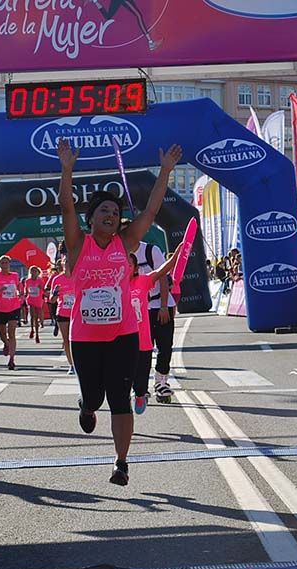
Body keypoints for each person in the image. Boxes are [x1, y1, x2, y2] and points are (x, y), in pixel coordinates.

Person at [58, 137, 181, 486]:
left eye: (115, 212)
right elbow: (66, 207)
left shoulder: (124, 244)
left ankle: (121, 462)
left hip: (122, 334)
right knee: (95, 398)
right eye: (104, 212)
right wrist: (67, 170)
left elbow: (152, 212)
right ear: (91, 218)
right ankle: (85, 404)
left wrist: (165, 171)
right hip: (85, 337)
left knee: (119, 400)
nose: (111, 216)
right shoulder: (78, 244)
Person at [130, 242, 183, 415]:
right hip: (129, 331)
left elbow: (162, 272)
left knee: (162, 347)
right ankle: (139, 390)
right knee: (135, 362)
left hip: (151, 319)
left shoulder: (143, 279)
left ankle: (159, 383)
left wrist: (177, 255)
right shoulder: (118, 283)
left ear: (136, 268)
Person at [49, 262, 77, 374]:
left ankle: (79, 363)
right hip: (63, 313)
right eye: (67, 264)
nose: (69, 266)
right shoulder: (57, 279)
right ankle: (71, 365)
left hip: (77, 314)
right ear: (63, 266)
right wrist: (55, 293)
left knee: (76, 340)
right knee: (66, 340)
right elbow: (52, 300)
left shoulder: (79, 276)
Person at [25, 265, 47, 343]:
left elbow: (43, 289)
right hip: (30, 299)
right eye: (32, 271)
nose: (33, 273)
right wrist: (23, 295)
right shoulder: (27, 281)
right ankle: (32, 330)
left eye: (35, 271)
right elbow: (26, 291)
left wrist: (40, 288)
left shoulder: (40, 280)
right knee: (32, 315)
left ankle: (37, 333)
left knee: (37, 316)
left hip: (38, 300)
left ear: (38, 273)